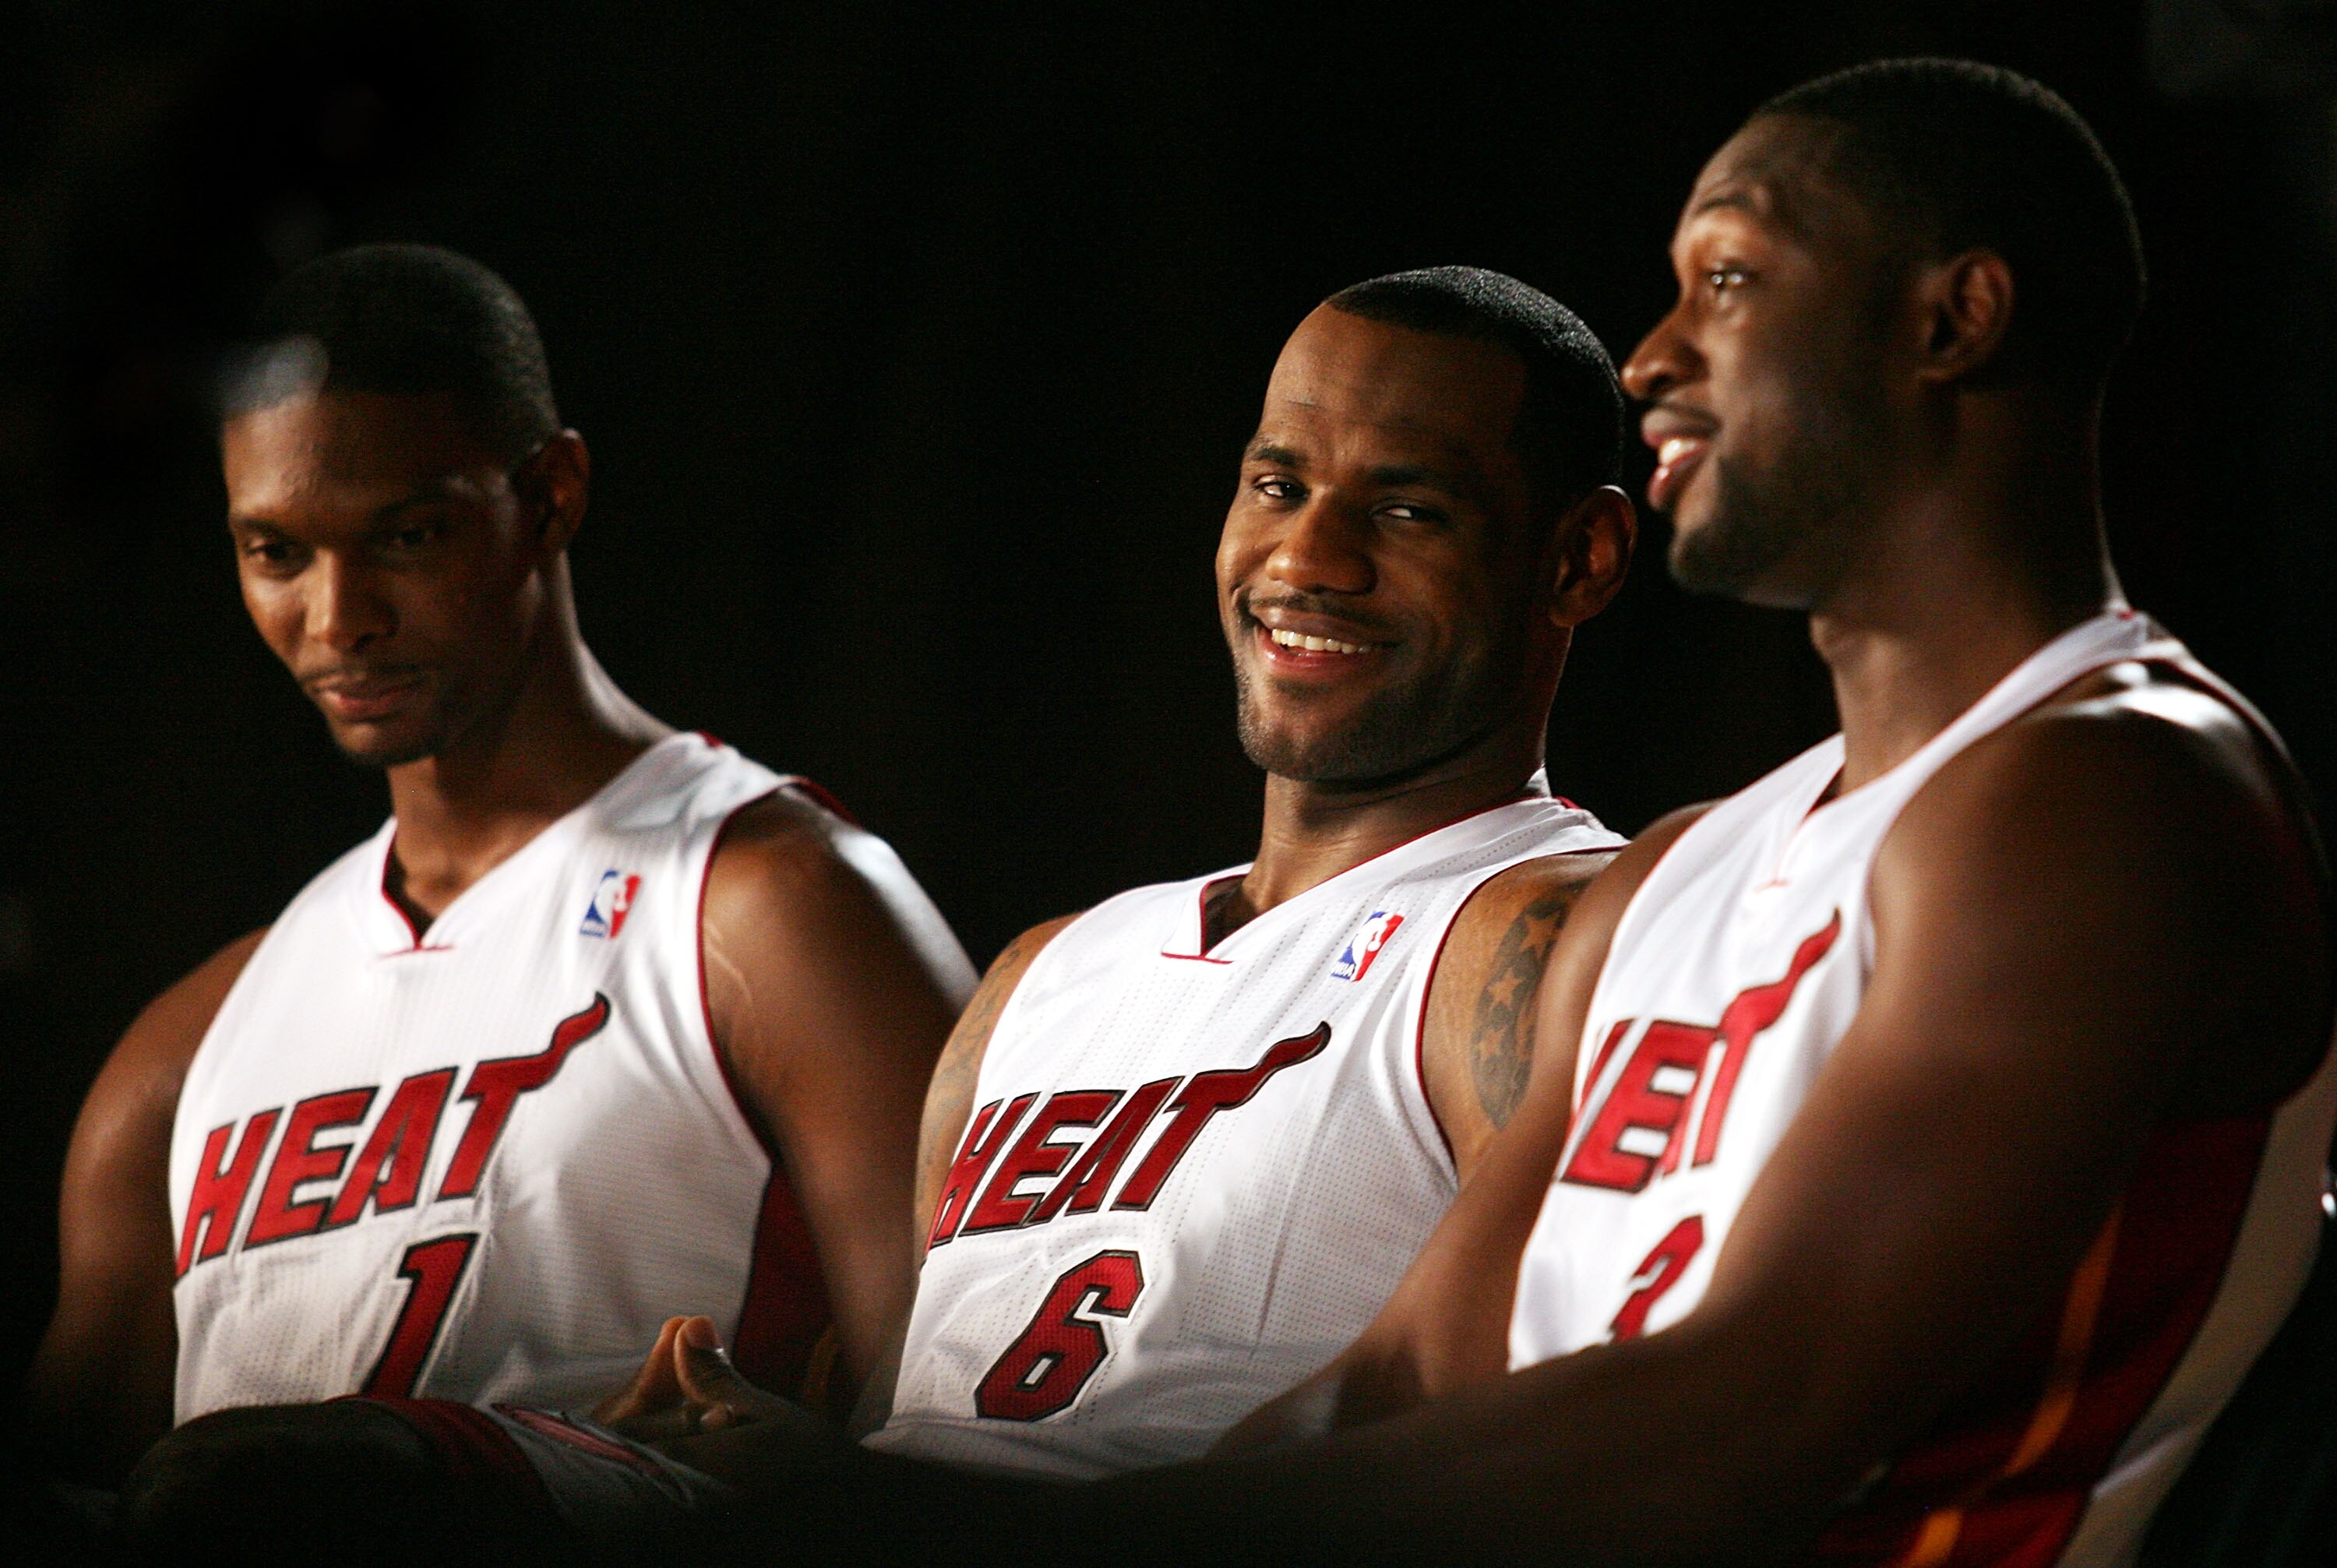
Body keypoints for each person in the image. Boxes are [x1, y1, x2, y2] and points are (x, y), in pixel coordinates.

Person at [119, 264, 1639, 1545]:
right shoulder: (1051, 968)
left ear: (1578, 557)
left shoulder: (1561, 928)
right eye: (1277, 483)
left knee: (290, 1487)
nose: (1307, 555)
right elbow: (897, 1417)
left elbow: (1536, 1445)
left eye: (1414, 510)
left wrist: (856, 1506)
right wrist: (751, 1444)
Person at [1066, 57, 2334, 1567]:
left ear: (1954, 318)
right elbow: (1393, 1384)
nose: (1653, 356)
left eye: (1726, 278)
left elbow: (1745, 1421)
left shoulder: (2117, 787)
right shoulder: (1674, 869)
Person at [26, 245, 975, 1492]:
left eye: (405, 535)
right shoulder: (181, 1051)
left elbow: (974, 1429)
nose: (337, 615)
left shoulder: (775, 903)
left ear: (553, 494)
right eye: (275, 553)